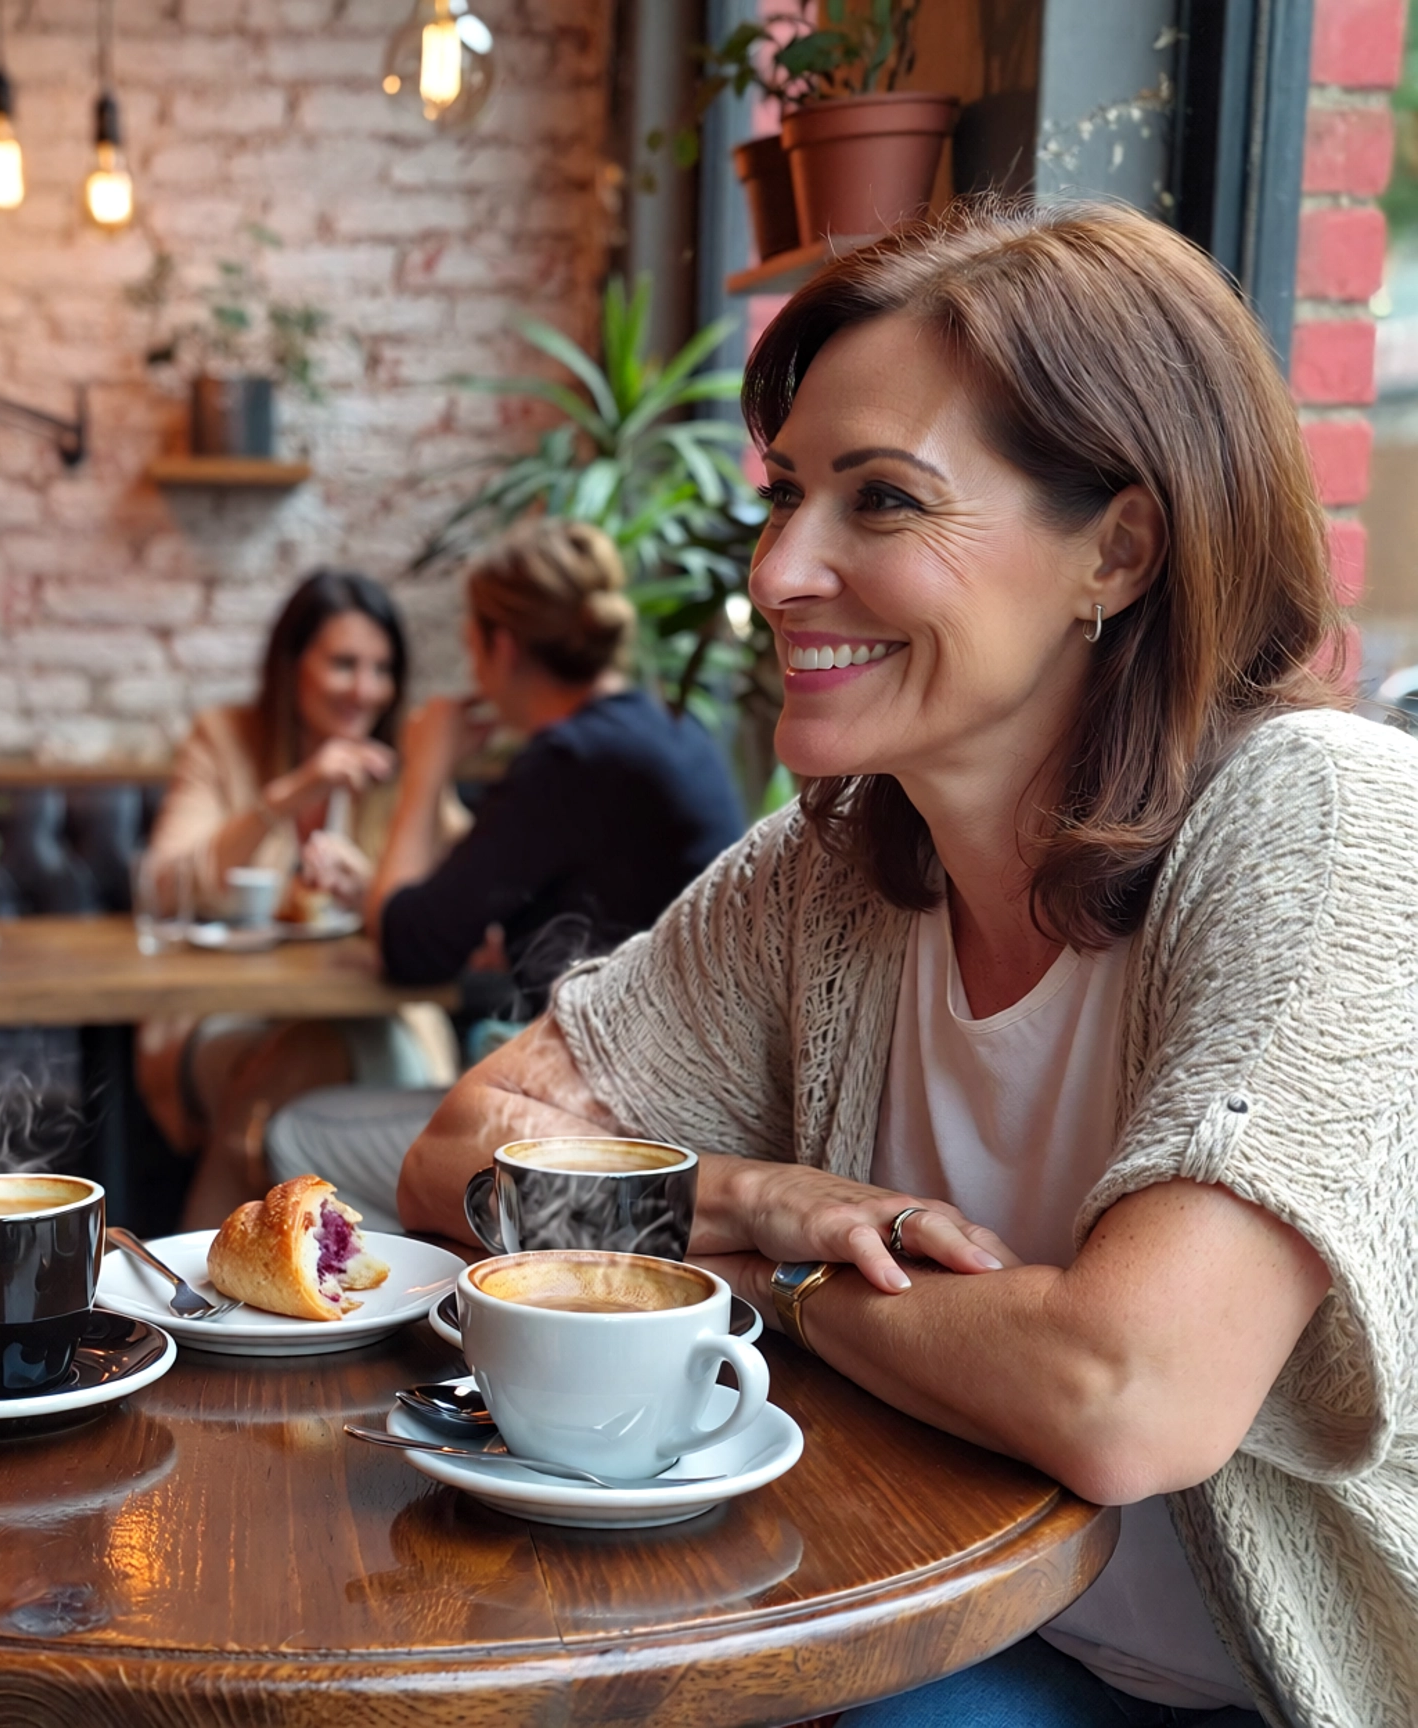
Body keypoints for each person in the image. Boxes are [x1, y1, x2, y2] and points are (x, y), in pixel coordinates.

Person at [401, 200, 1418, 1727]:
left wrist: (773, 1279)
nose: (779, 571)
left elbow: (1127, 1393)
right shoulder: (830, 865)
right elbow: (458, 1157)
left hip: (1262, 1693)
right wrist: (748, 1197)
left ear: (1118, 550)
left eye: (882, 501)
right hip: (940, 1629)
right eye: (790, 493)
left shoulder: (1322, 817)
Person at [262, 518, 746, 1228]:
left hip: (627, 1140)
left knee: (297, 1129)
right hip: (663, 1107)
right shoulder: (660, 731)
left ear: (503, 646)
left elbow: (406, 943)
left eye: (472, 651)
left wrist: (427, 766)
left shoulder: (572, 760)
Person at [137, 570, 465, 1230]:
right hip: (223, 1012)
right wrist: (288, 793)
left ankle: (211, 1286)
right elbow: (166, 883)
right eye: (343, 663)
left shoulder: (403, 765)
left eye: (381, 669)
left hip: (379, 1016)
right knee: (301, 1063)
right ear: (292, 666)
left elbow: (457, 912)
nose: (364, 689)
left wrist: (374, 890)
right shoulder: (225, 738)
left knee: (284, 1078)